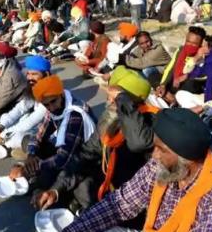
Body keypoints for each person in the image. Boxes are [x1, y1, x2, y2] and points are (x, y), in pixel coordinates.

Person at [54, 108, 212, 232]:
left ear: (187, 157)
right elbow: (120, 203)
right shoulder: (164, 166)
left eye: (161, 150)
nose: (154, 155)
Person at [33, 66, 155, 218]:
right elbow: (86, 153)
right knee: (75, 181)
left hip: (134, 197)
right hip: (108, 183)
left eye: (114, 97)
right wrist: (55, 190)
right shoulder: (110, 119)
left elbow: (138, 142)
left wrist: (122, 100)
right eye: (111, 96)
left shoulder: (151, 122)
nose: (108, 100)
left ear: (130, 102)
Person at [9, 75, 96, 193]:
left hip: (80, 157)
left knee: (49, 179)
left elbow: (64, 158)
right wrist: (31, 154)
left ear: (61, 94)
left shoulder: (75, 115)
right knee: (31, 143)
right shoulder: (54, 106)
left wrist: (28, 169)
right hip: (61, 146)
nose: (51, 107)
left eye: (53, 101)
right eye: (46, 105)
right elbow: (40, 132)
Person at [0, 55, 51, 151]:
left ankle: (23, 149)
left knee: (20, 137)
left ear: (46, 74)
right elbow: (21, 108)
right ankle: (14, 144)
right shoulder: (34, 87)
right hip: (34, 122)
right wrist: (1, 127)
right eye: (28, 74)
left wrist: (4, 134)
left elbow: (32, 121)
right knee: (16, 118)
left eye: (34, 74)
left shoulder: (50, 94)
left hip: (47, 128)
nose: (30, 77)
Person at [154, 26, 206, 104]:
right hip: (175, 82)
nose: (189, 45)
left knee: (190, 82)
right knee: (153, 75)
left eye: (194, 44)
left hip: (191, 86)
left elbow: (203, 75)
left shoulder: (204, 54)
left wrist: (186, 76)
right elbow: (170, 68)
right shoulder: (181, 49)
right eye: (188, 41)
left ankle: (175, 99)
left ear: (201, 44)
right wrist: (163, 85)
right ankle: (169, 95)